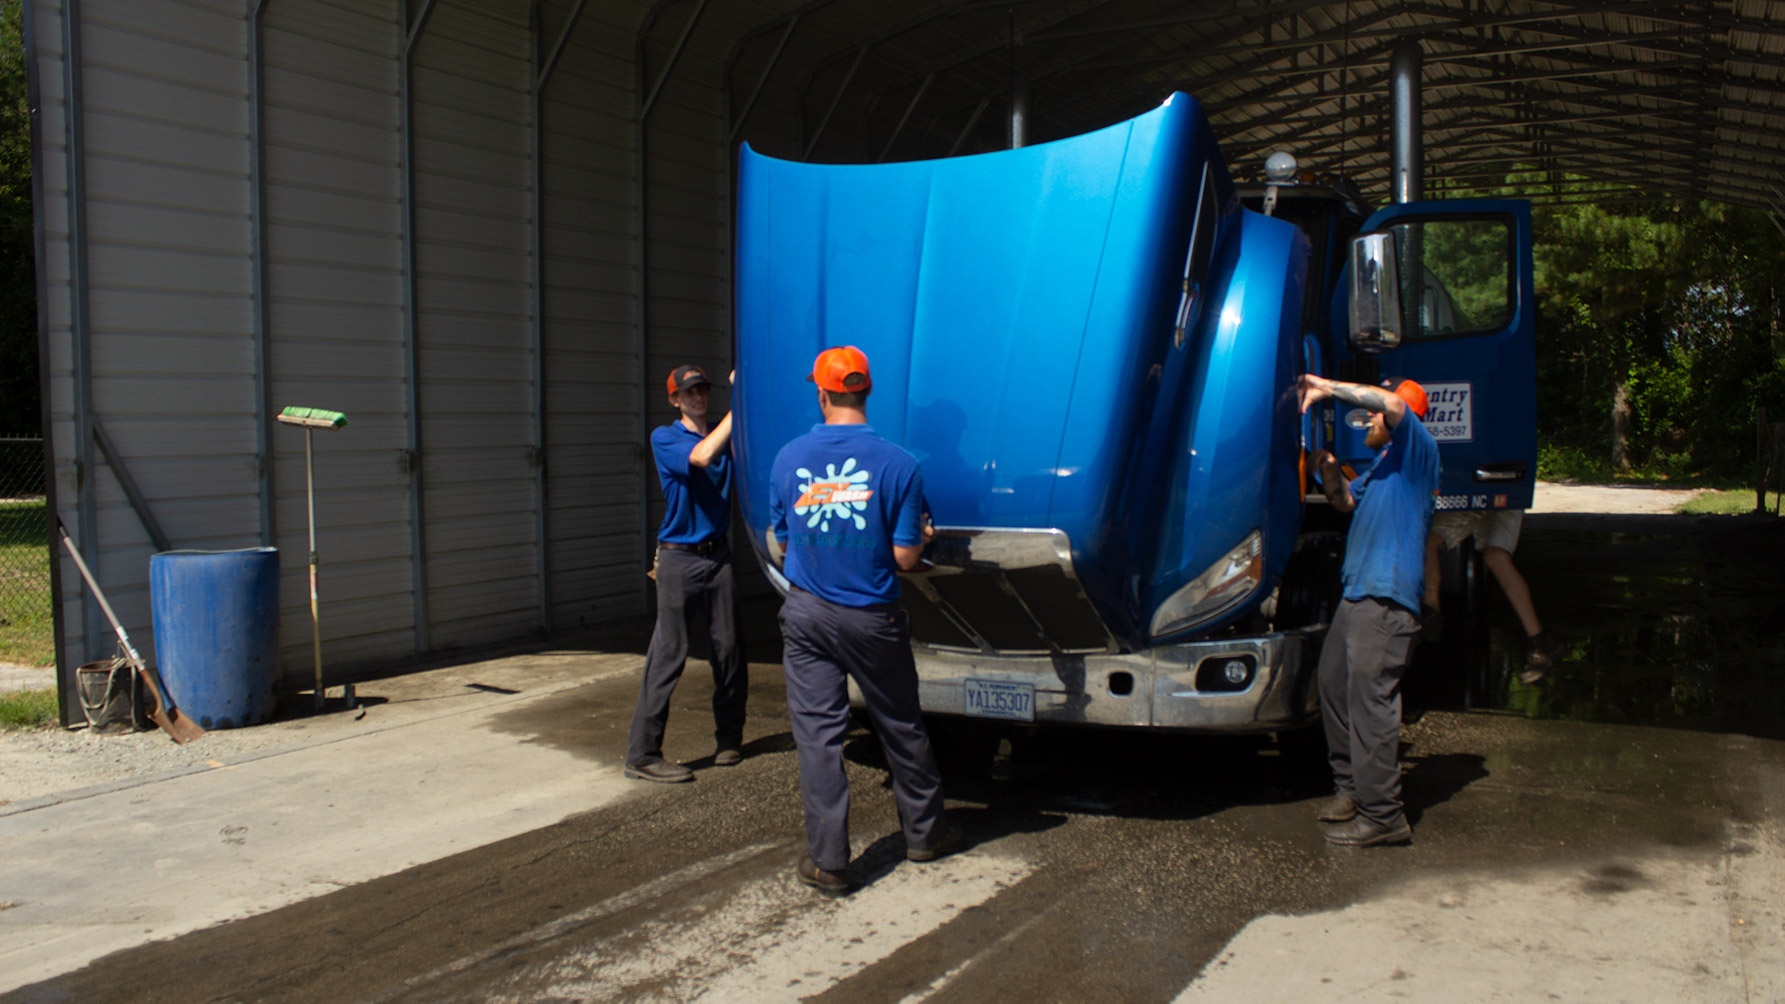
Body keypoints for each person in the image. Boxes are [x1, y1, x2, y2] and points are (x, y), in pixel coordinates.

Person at [766, 345, 961, 894]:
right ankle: (924, 836)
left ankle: (829, 862)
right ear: (866, 391)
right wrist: (921, 544)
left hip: (806, 614)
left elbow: (782, 544)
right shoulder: (900, 464)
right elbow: (903, 559)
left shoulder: (787, 459)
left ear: (823, 393)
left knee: (819, 736)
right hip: (872, 617)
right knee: (900, 723)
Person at [1299, 373, 1439, 847]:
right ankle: (1352, 789)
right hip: (1357, 594)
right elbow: (1343, 504)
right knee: (1334, 685)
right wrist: (1329, 467)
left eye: (1376, 414)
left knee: (1371, 703)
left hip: (1386, 598)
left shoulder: (1418, 453)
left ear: (1401, 417)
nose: (1369, 420)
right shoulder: (1382, 467)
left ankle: (1384, 816)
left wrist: (1324, 387)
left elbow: (1392, 406)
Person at [623, 364, 748, 783]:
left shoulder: (725, 433)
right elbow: (702, 456)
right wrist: (740, 398)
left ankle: (729, 739)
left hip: (718, 557)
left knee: (729, 651)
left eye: (702, 390)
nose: (698, 397)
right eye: (689, 392)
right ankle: (642, 754)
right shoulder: (667, 438)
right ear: (674, 399)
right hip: (678, 560)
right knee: (668, 654)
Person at [1421, 510, 1562, 685]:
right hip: (1503, 487)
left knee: (1431, 542)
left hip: (1481, 490)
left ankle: (1431, 616)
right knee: (1496, 556)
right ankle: (1540, 643)